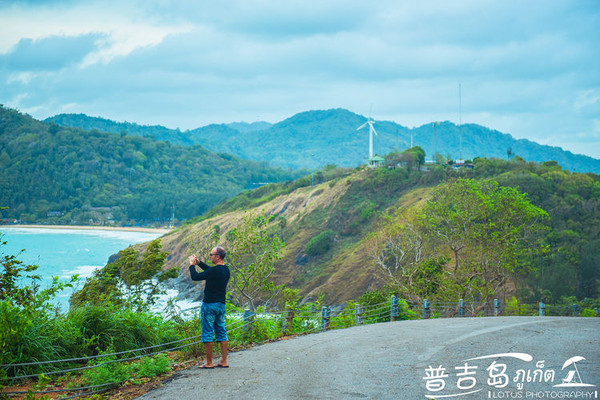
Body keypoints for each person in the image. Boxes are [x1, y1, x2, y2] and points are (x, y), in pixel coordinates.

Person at [188, 246, 230, 369]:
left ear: (218, 257)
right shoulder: (225, 270)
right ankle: (224, 361)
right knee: (221, 331)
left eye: (211, 254)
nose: (210, 256)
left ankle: (209, 362)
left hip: (209, 305)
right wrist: (199, 263)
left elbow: (195, 277)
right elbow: (210, 270)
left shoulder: (214, 271)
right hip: (221, 305)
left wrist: (192, 265)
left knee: (207, 332)